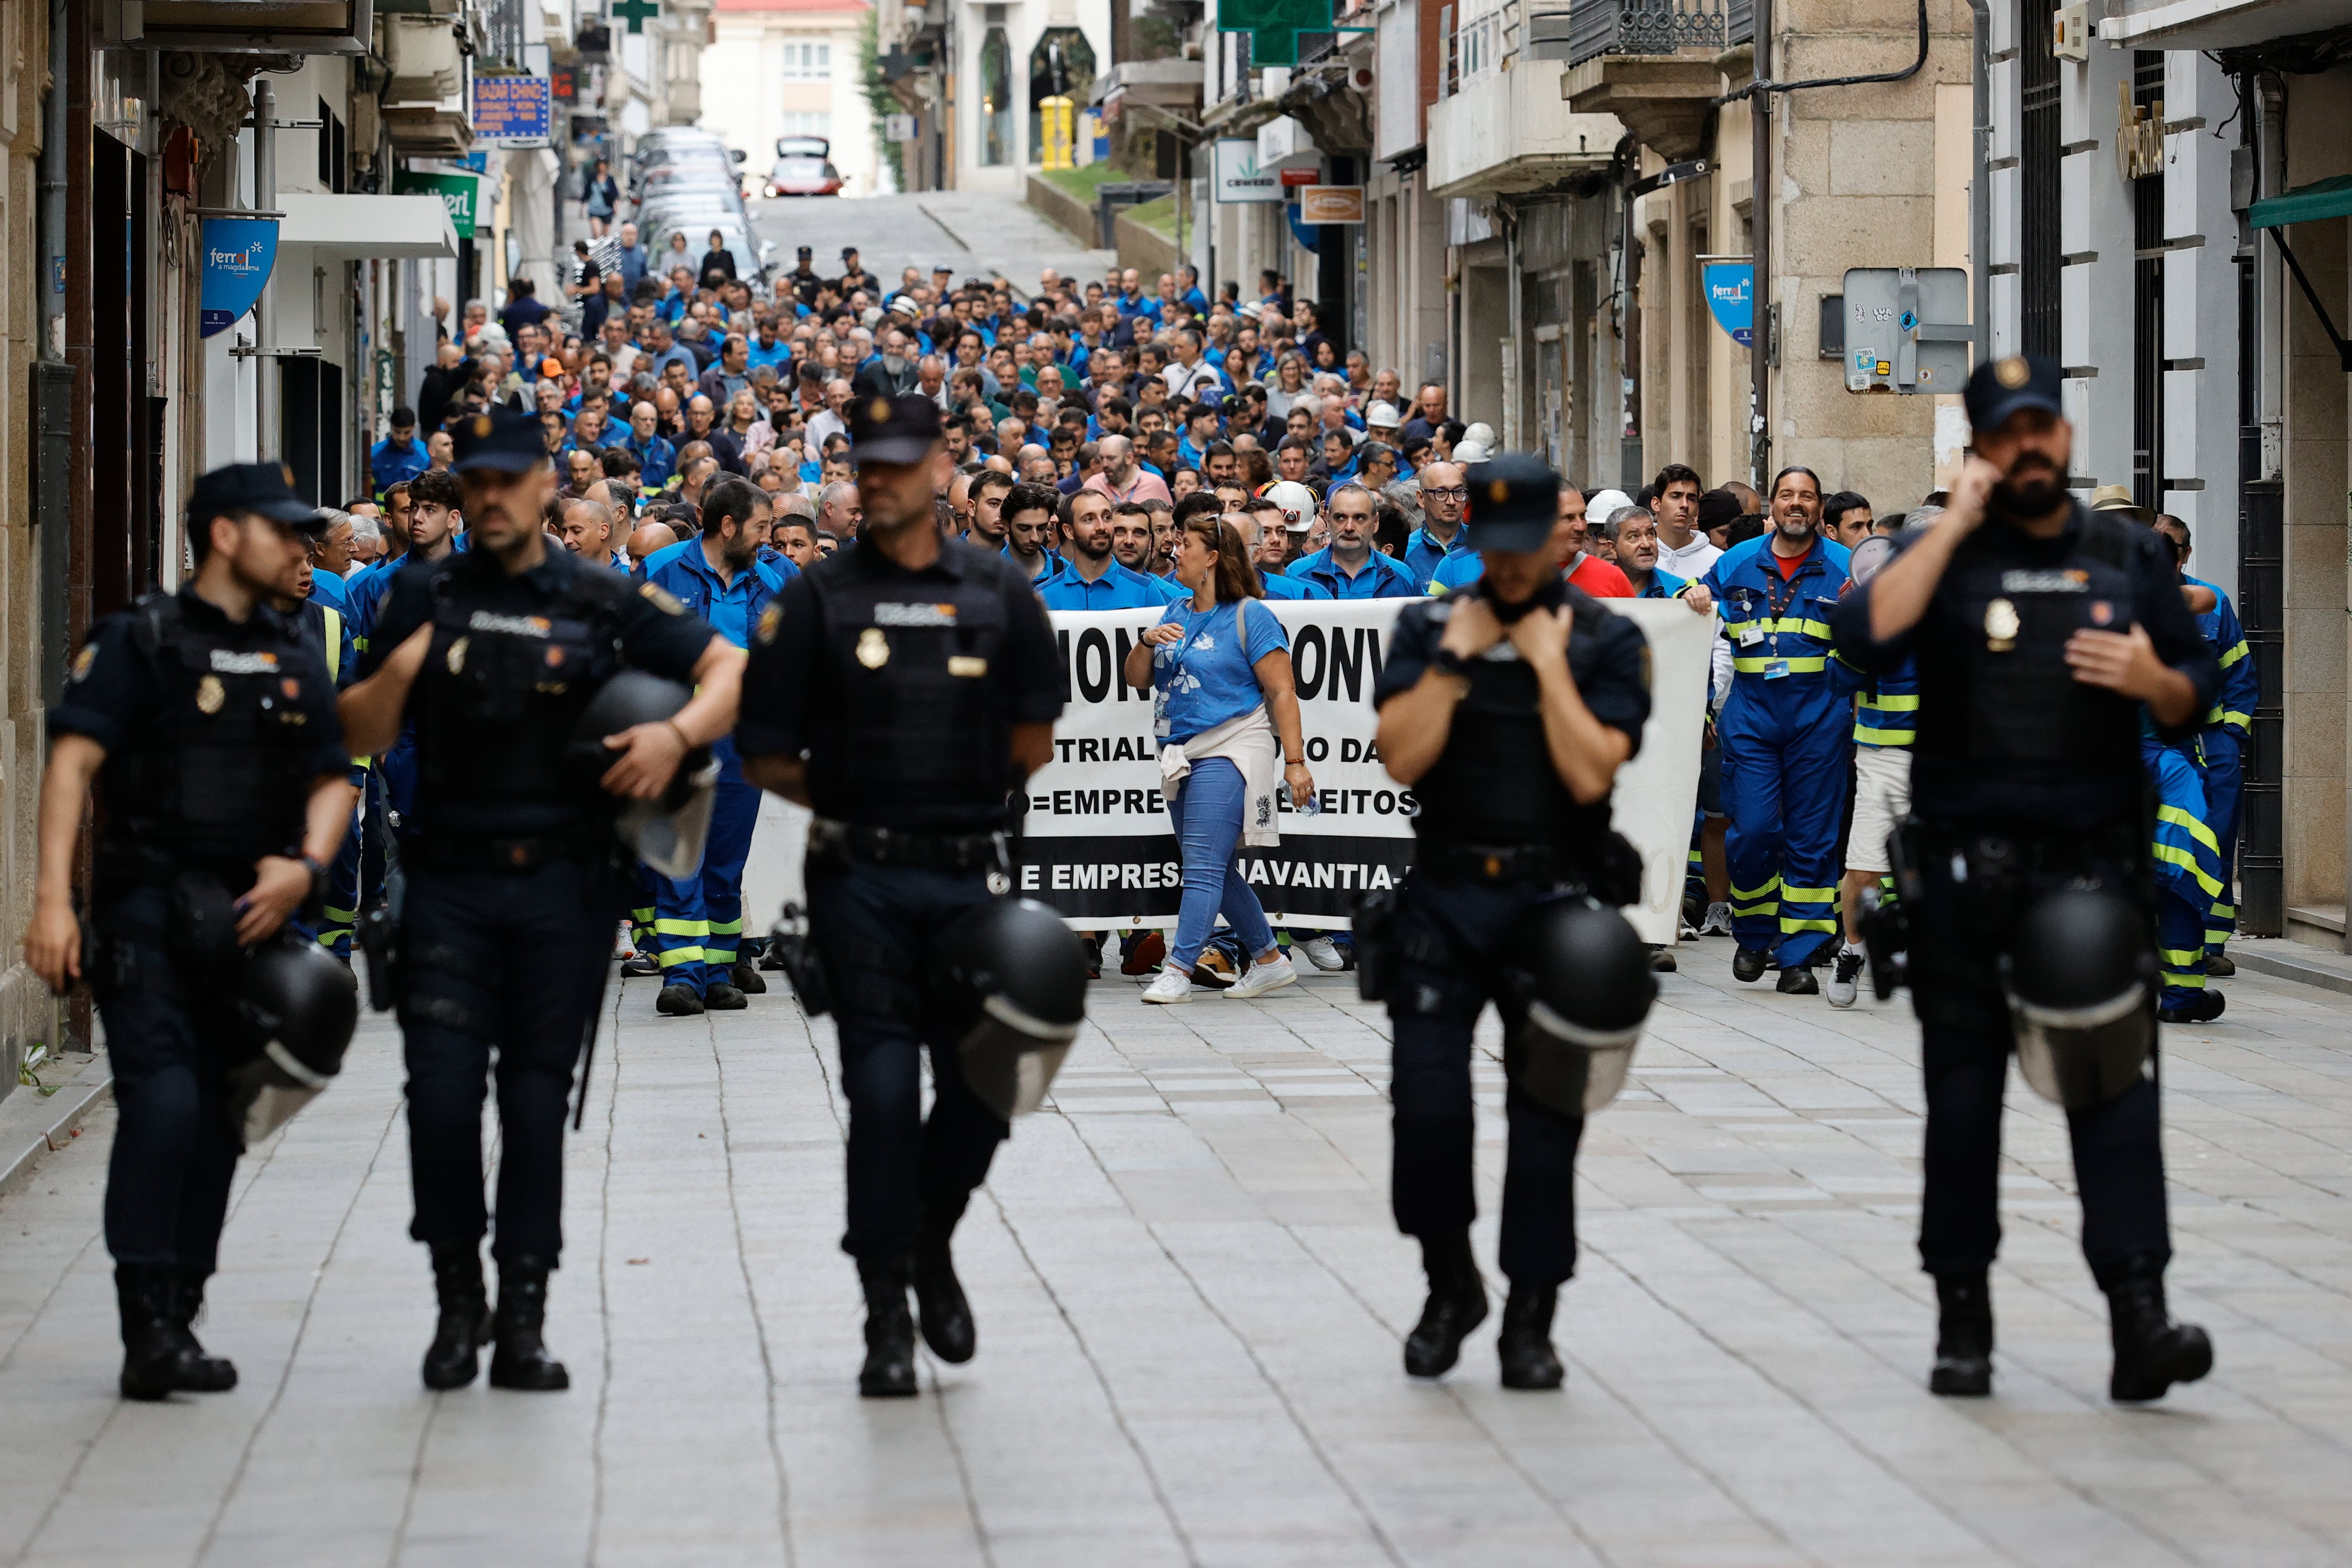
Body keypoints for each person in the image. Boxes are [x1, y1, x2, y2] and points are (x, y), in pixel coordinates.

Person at [1832, 351, 2218, 1404]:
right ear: (1983, 449)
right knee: (1961, 1107)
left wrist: (2153, 679)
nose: (2030, 448)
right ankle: (1964, 1318)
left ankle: (2139, 1315)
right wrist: (1951, 524)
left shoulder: (2125, 554)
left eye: (2042, 428)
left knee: (2113, 1095)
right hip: (1967, 878)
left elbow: (2198, 685)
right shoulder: (1940, 553)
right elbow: (1862, 637)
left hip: (2089, 877)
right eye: (2008, 435)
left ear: (2060, 433)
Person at [335, 408, 744, 1393]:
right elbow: (354, 724)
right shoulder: (416, 589)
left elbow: (727, 669)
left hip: (562, 887)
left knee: (530, 1104)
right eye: (472, 481)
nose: (489, 497)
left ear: (542, 487)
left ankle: (521, 1309)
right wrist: (404, 659)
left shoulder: (596, 593)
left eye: (508, 480)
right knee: (437, 1101)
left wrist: (675, 738)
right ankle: (453, 1296)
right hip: (447, 882)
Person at [738, 394, 1065, 1399]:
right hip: (861, 881)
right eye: (865, 464)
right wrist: (857, 795)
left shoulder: (998, 591)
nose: (880, 480)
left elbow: (1033, 741)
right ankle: (885, 1304)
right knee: (881, 1096)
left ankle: (932, 1237)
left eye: (900, 462)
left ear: (939, 469)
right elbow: (762, 752)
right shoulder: (815, 599)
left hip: (967, 875)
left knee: (984, 1090)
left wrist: (945, 796)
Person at [24, 464, 353, 1400]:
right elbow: (73, 758)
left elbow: (333, 773)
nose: (298, 547)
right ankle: (148, 1324)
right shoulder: (141, 640)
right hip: (149, 915)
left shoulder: (293, 648)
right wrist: (52, 900)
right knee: (163, 1111)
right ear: (223, 534)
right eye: (280, 529)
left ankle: (181, 1302)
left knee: (216, 1128)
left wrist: (306, 865)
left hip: (251, 921)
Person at [1368, 453, 1651, 1391]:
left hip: (1553, 898)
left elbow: (1588, 774)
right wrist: (1456, 656)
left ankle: (1532, 1312)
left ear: (1557, 539)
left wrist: (1541, 662)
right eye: (1496, 544)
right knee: (1428, 1104)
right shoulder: (1425, 626)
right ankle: (1449, 1281)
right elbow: (1401, 761)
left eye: (1526, 543)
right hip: (1445, 894)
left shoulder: (1604, 637)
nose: (1512, 563)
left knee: (1546, 1122)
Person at [1123, 512, 1312, 1005]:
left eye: (1183, 543)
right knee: (1211, 865)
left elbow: (1283, 691)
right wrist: (1144, 641)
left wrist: (1294, 762)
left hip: (1232, 745)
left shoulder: (1252, 615)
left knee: (1203, 867)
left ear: (1211, 558)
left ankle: (1179, 968)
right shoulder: (1174, 609)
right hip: (1181, 752)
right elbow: (1136, 680)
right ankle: (1269, 960)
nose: (1172, 548)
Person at [639, 478, 790, 1015]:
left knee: (726, 862)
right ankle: (681, 974)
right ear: (728, 527)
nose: (767, 539)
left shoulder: (771, 581)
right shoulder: (662, 571)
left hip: (740, 742)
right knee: (681, 854)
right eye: (760, 528)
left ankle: (720, 967)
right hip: (678, 734)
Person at [1701, 466, 1853, 993]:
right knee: (1753, 832)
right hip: (1751, 718)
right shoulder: (1735, 562)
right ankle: (1754, 934)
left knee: (1812, 839)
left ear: (1818, 509)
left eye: (1806, 497)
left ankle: (1798, 957)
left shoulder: (1845, 567)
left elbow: (1870, 634)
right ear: (1771, 507)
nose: (1796, 504)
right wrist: (1690, 600)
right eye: (1786, 495)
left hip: (1819, 719)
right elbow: (1692, 613)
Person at [1038, 487, 1178, 608]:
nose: (1101, 527)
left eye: (1107, 517)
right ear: (1069, 531)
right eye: (1089, 519)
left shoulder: (1145, 590)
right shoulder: (1045, 595)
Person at [1286, 482, 1421, 599]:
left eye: (1359, 518)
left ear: (1376, 522)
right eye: (1340, 518)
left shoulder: (1402, 576)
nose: (1349, 527)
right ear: (1327, 519)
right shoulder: (1298, 573)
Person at [371, 408, 429, 494]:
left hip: (410, 505)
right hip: (381, 506)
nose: (402, 438)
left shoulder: (424, 453)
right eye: (397, 432)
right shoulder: (376, 452)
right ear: (392, 426)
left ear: (414, 427)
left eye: (407, 433)